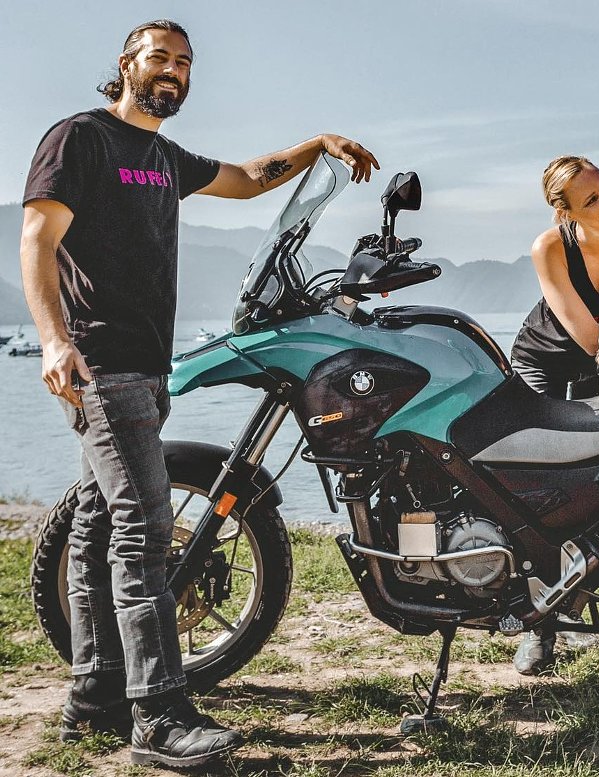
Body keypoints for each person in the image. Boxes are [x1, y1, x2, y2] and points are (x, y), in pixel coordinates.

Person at [19, 20, 378, 769]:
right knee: (144, 529)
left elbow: (246, 179)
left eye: (184, 62)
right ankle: (158, 713)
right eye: (159, 57)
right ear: (126, 64)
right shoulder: (81, 138)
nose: (173, 70)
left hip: (147, 363)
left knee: (96, 523)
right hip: (101, 361)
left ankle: (94, 694)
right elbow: (37, 240)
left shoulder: (162, 155)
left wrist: (318, 144)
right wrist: (53, 340)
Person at [508, 156, 599, 674]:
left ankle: (592, 598)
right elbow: (591, 340)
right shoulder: (549, 248)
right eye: (591, 200)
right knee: (539, 488)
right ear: (566, 213)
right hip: (543, 363)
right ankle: (539, 627)